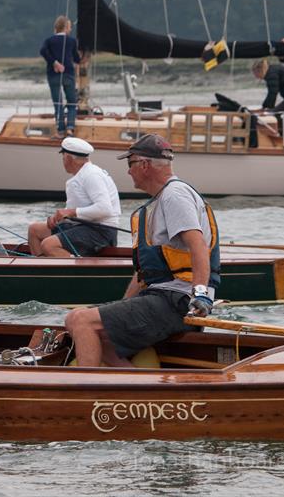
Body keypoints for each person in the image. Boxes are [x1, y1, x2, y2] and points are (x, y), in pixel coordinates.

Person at [64, 134, 220, 367]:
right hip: (161, 297)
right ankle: (136, 390)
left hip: (178, 301)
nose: (128, 172)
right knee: (103, 336)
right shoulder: (160, 201)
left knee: (79, 320)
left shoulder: (174, 195)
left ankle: (86, 393)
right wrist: (121, 307)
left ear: (144, 165)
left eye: (130, 164)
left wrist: (199, 294)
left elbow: (197, 245)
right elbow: (144, 274)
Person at [27, 137, 121, 257]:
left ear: (68, 158)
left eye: (63, 157)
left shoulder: (92, 175)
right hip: (83, 226)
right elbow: (72, 212)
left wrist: (71, 212)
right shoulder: (81, 176)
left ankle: (77, 270)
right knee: (34, 230)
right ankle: (41, 270)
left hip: (101, 231)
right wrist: (57, 218)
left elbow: (105, 209)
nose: (62, 161)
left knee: (48, 245)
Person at [40, 15, 82, 137]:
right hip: (68, 74)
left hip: (53, 75)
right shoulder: (72, 41)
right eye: (69, 27)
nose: (70, 29)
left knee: (57, 102)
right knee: (72, 102)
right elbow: (77, 59)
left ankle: (60, 130)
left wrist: (54, 62)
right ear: (66, 27)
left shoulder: (49, 41)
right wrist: (82, 56)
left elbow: (43, 51)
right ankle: (70, 128)